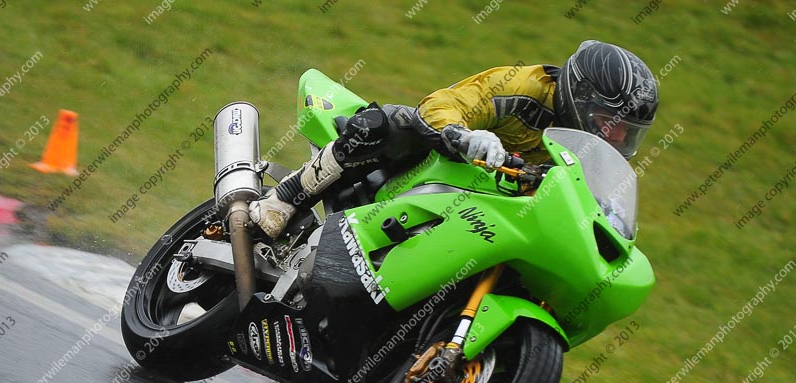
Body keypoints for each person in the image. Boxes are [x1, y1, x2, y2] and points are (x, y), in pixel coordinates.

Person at [249, 40, 658, 239]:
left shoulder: (589, 150)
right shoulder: (524, 86)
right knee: (384, 125)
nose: (617, 137)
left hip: (489, 203)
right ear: (579, 96)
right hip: (439, 157)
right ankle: (285, 196)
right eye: (612, 122)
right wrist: (465, 136)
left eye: (629, 133)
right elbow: (442, 104)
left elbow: (592, 201)